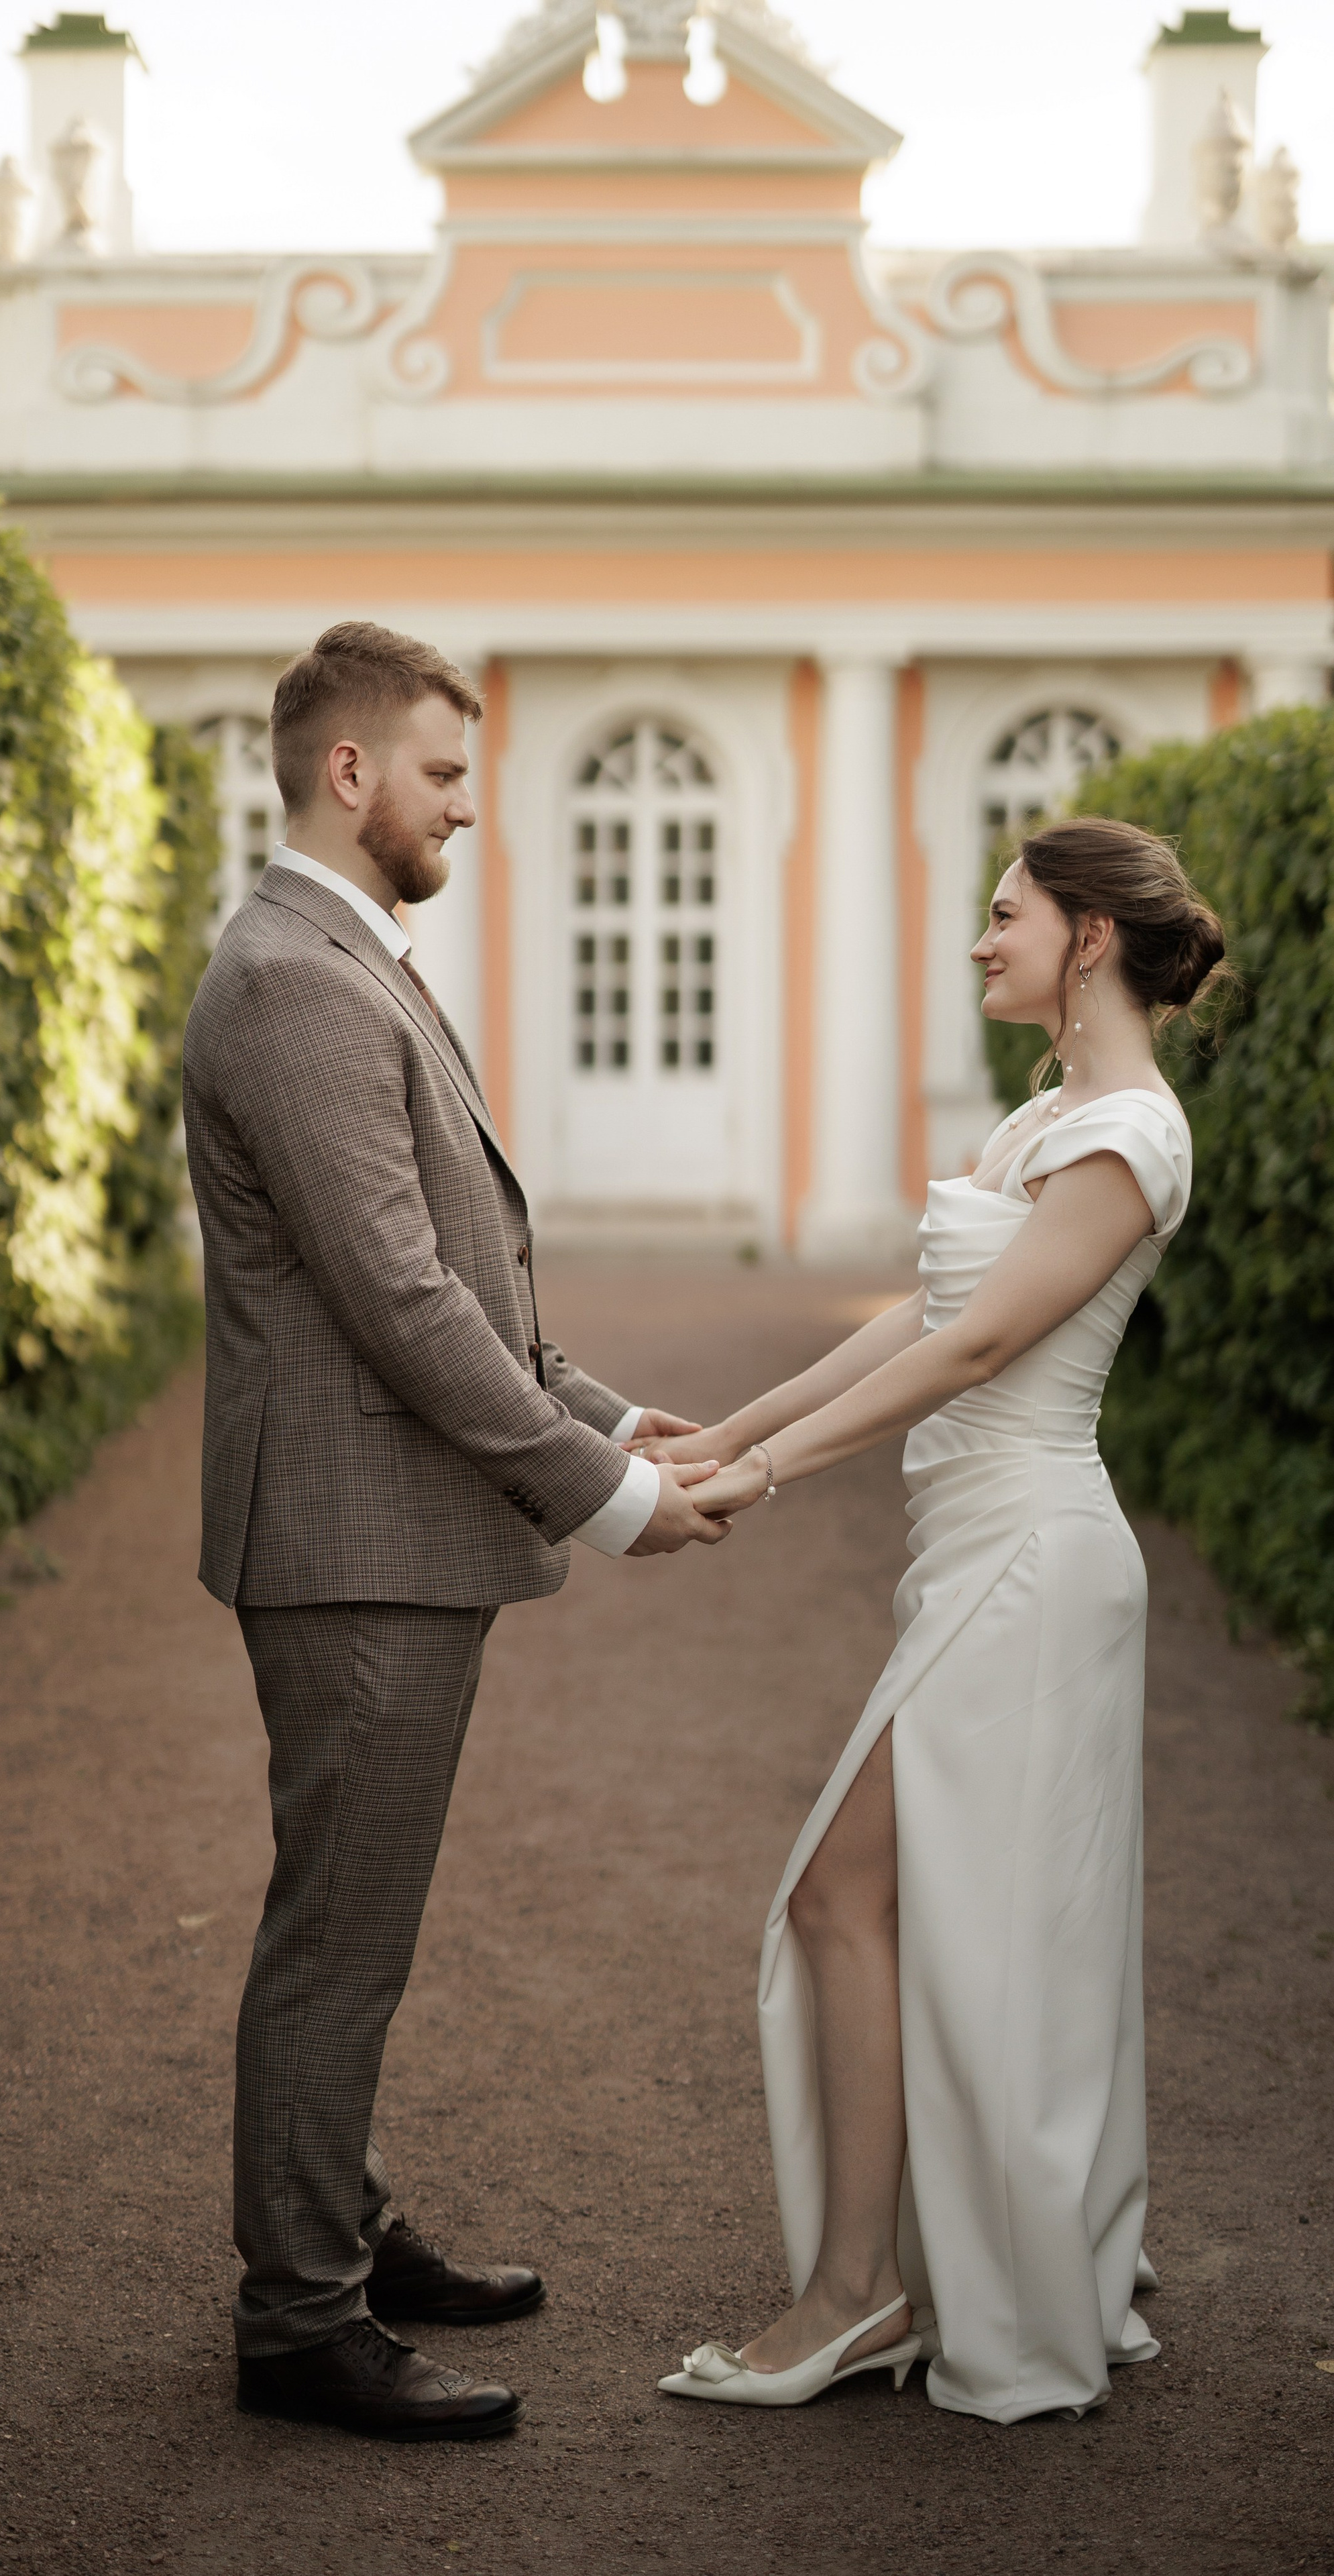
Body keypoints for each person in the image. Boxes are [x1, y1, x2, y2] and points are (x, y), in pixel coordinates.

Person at [181, 622, 728, 2443]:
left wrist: (593, 1406)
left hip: (386, 1531)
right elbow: (404, 1302)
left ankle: (334, 2223)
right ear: (351, 774)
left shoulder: (346, 961)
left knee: (359, 1925)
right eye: (439, 772)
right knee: (337, 1937)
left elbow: (456, 1278)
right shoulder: (289, 981)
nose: (468, 804)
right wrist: (613, 1495)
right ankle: (303, 2320)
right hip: (353, 1547)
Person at [641, 818, 1228, 2424]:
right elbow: (919, 1314)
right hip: (969, 1551)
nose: (980, 941)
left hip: (1033, 1560)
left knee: (841, 1894)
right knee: (913, 1912)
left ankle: (855, 2296)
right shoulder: (1041, 1117)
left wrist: (757, 1478)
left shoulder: (1125, 1139)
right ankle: (892, 2278)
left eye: (1003, 915)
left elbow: (974, 1363)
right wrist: (717, 1432)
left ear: (1087, 938)